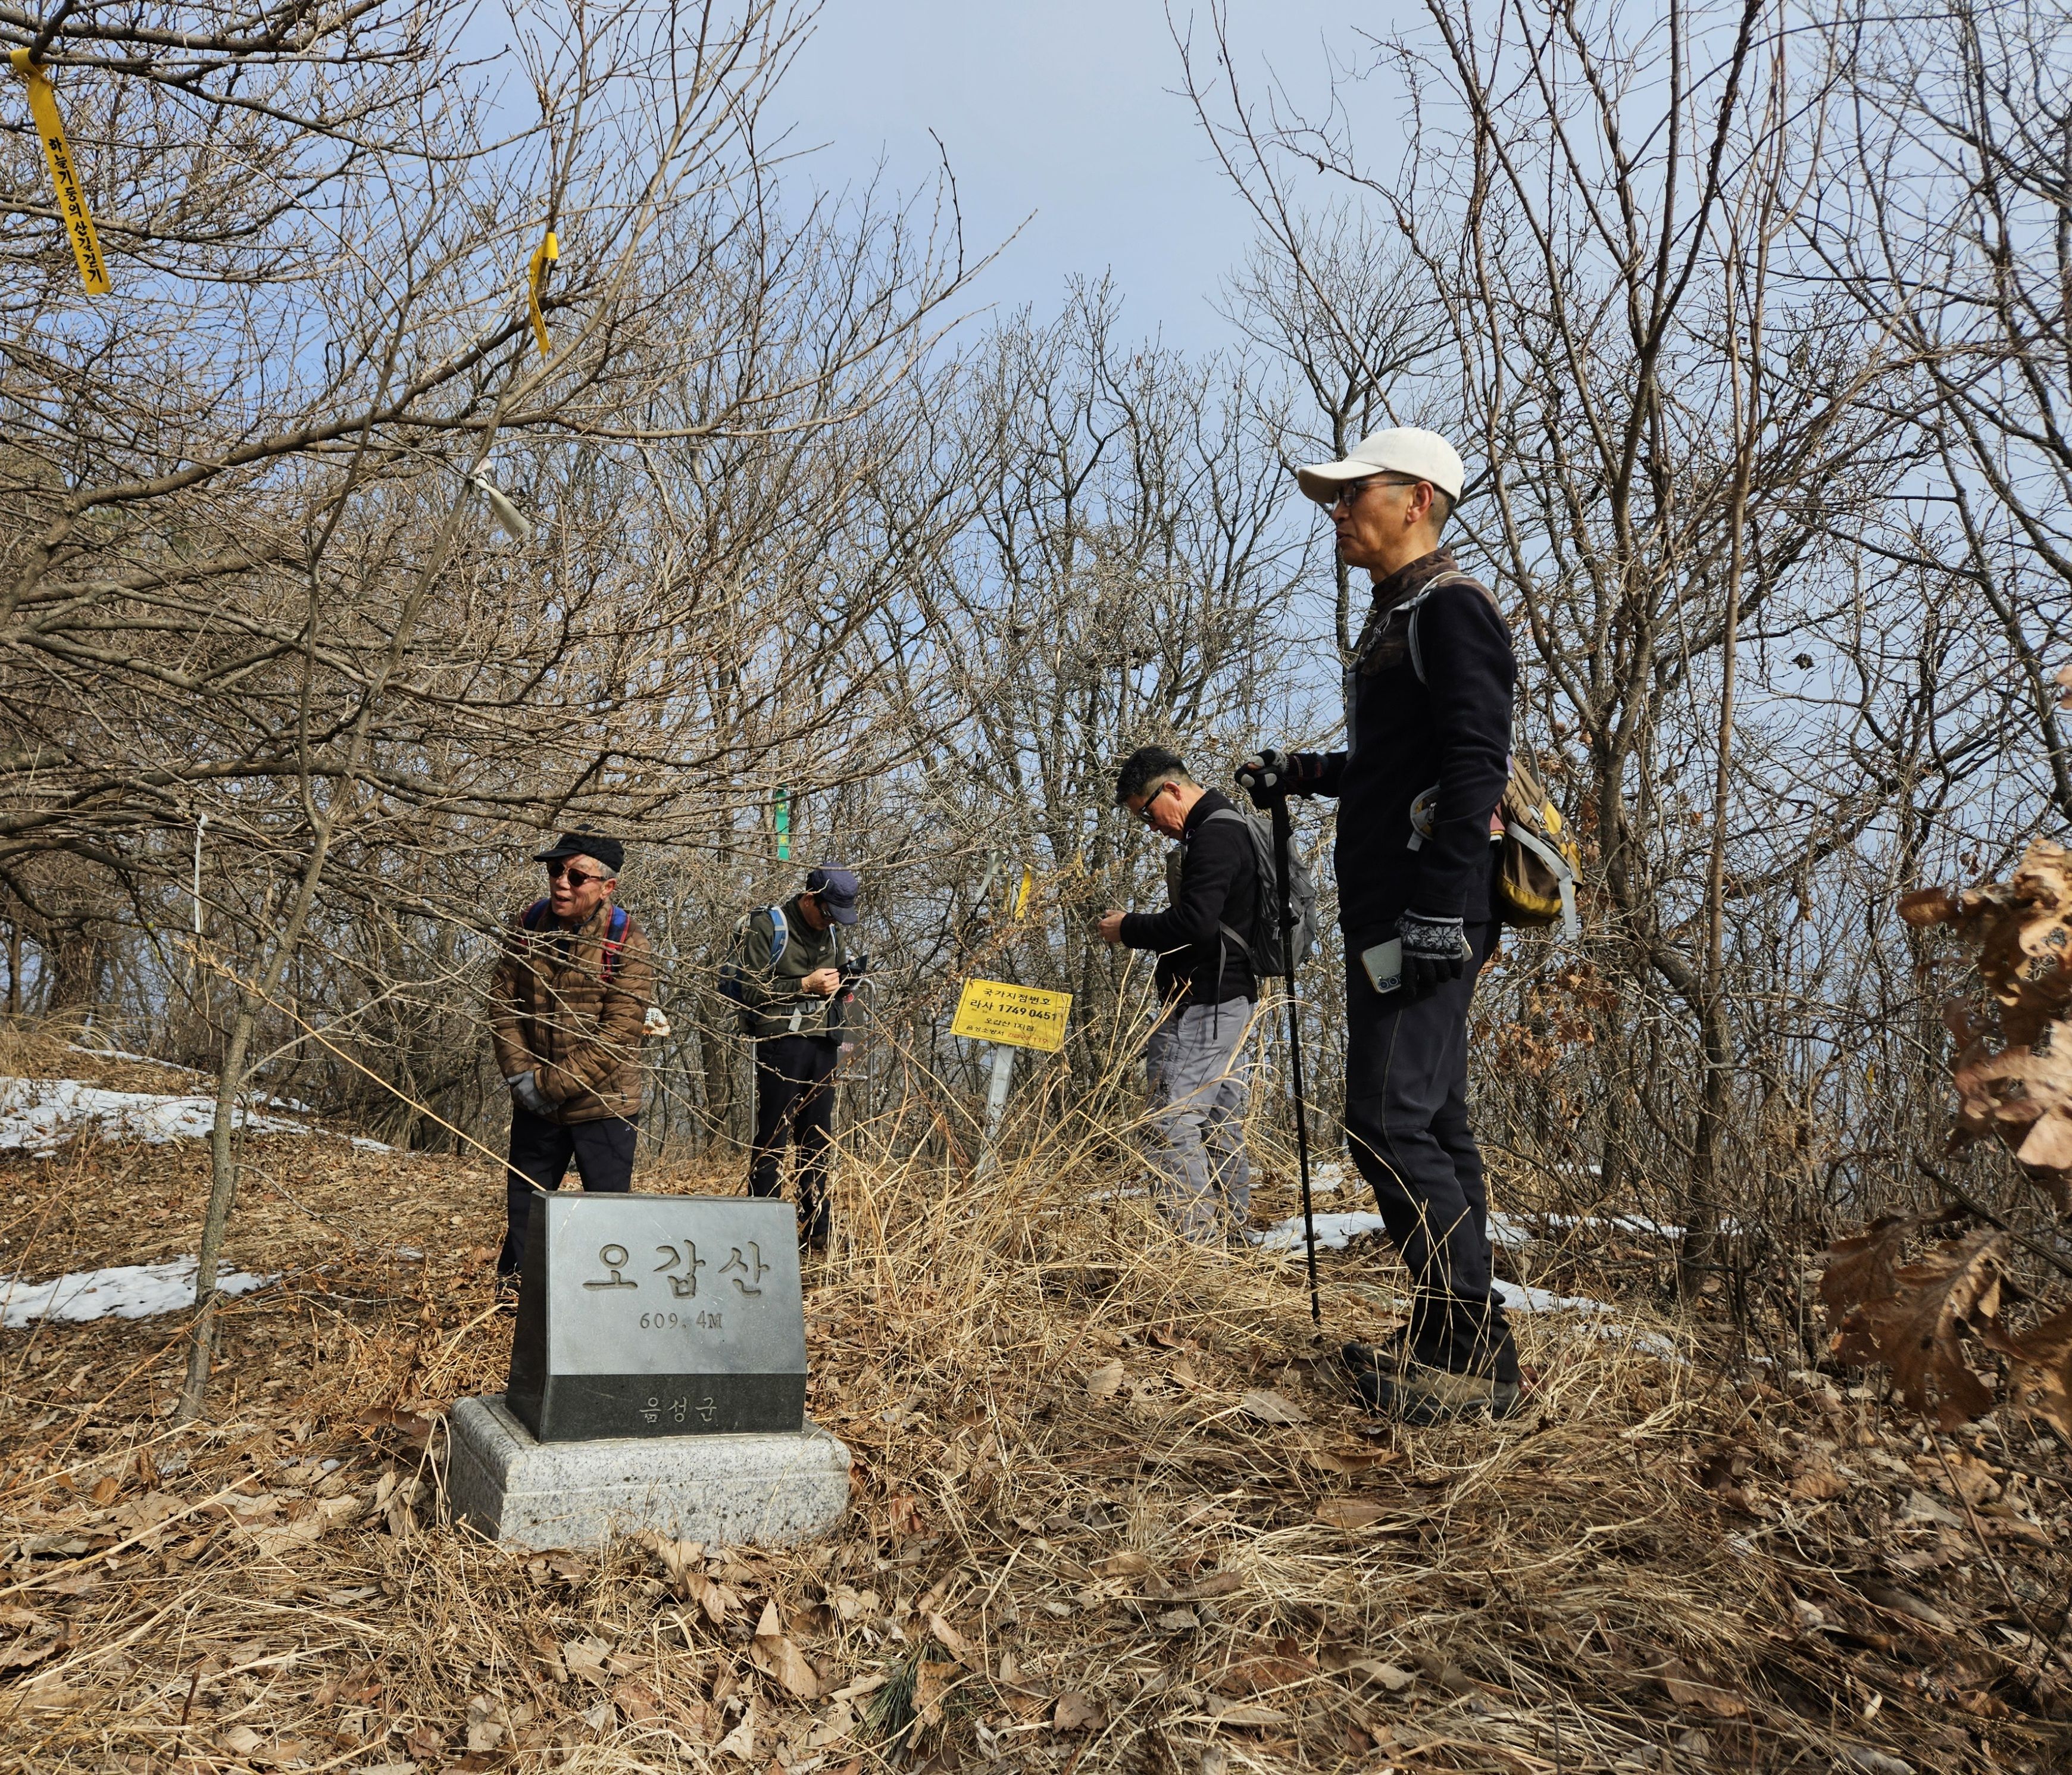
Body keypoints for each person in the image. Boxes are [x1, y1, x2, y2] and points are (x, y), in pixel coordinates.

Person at [1239, 426, 1520, 1423]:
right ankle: (1452, 1338)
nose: (1338, 511)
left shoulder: (1450, 608)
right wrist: (1307, 773)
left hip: (1425, 909)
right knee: (1431, 1119)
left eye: (1354, 493)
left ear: (1417, 501)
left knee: (1387, 1120)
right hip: (1398, 908)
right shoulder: (1400, 611)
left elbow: (1477, 762)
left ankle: (1474, 1354)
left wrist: (1440, 906)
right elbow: (1402, 766)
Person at [1098, 746, 1259, 1245]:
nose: (1151, 827)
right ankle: (1232, 1237)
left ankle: (1193, 1250)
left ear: (1171, 789)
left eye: (1147, 814)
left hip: (1203, 1002)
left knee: (1168, 1121)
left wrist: (1128, 928)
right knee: (1217, 1121)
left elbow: (1195, 923)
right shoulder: (1228, 824)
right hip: (1230, 999)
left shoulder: (1213, 835)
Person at [487, 832, 654, 1282]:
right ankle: (514, 1306)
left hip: (605, 1106)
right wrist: (521, 1076)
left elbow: (618, 1035)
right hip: (534, 1103)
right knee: (525, 1218)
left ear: (607, 887)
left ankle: (604, 1308)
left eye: (577, 876)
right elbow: (502, 1004)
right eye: (555, 871)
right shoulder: (528, 925)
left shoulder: (627, 941)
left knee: (608, 1225)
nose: (562, 883)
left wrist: (546, 1086)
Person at [733, 865, 861, 1252]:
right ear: (809, 899)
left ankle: (817, 1227)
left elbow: (838, 986)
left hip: (824, 1040)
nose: (830, 923)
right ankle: (763, 1226)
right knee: (773, 1133)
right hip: (781, 1041)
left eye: (837, 918)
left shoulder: (833, 932)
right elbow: (748, 989)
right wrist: (803, 985)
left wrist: (845, 982)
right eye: (827, 914)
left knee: (817, 1137)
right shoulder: (768, 926)